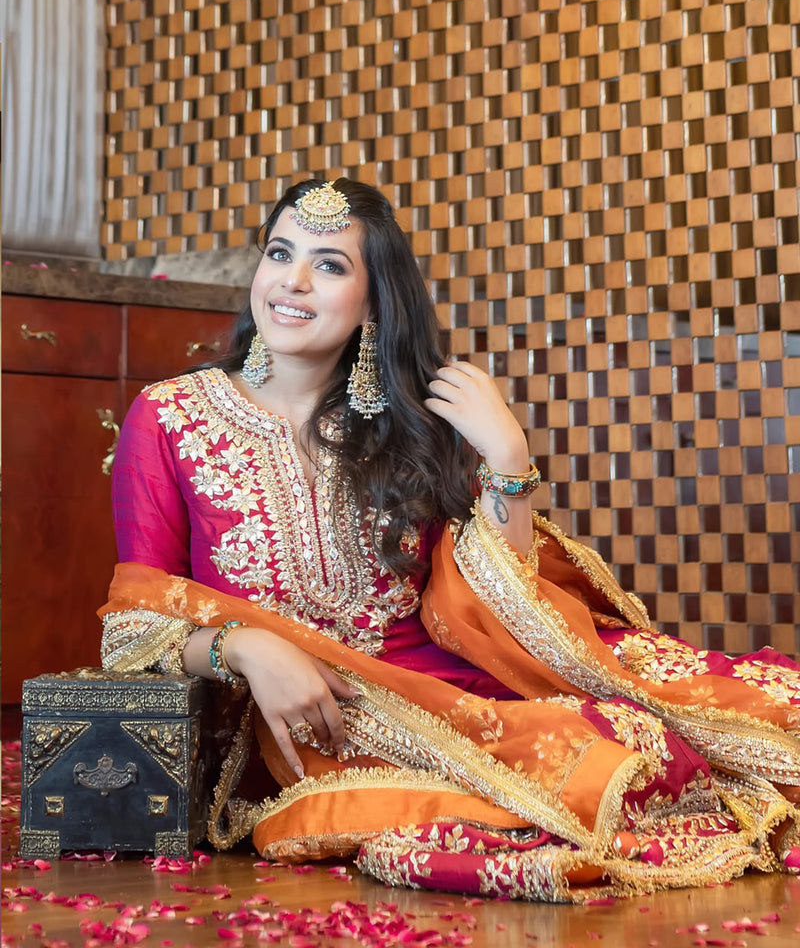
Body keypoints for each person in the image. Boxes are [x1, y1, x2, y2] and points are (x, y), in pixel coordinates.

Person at [101, 177, 800, 901]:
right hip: (305, 724)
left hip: (451, 686)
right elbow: (134, 628)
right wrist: (243, 647)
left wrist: (506, 456)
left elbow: (500, 601)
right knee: (577, 788)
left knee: (646, 742)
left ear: (374, 303)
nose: (293, 281)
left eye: (330, 265)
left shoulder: (411, 424)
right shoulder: (169, 416)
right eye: (280, 253)